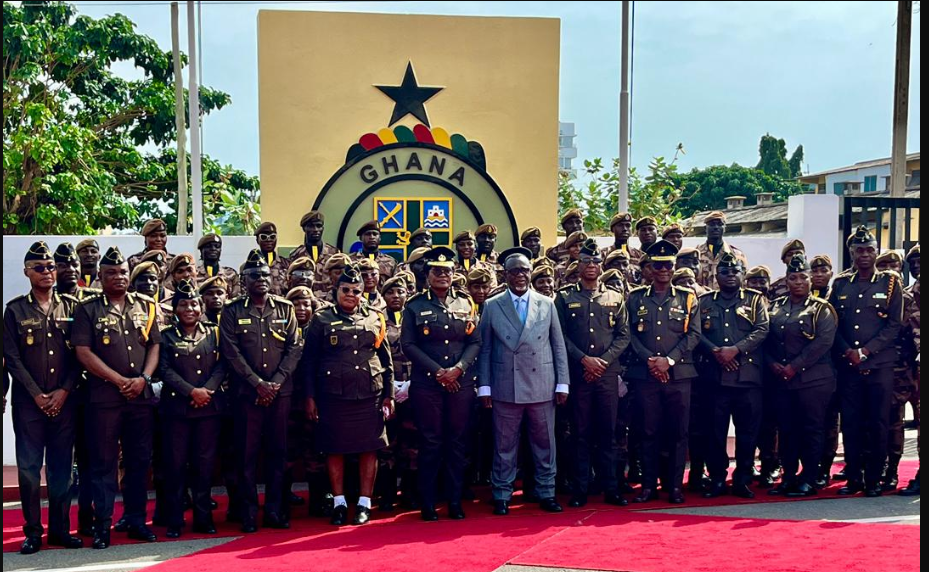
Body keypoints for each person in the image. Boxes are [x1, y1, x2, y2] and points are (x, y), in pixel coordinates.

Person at [72, 246, 161, 549]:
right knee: (103, 465)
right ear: (100, 276)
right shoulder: (88, 308)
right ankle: (102, 526)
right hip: (104, 399)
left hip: (140, 399)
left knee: (139, 462)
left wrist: (144, 379)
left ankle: (136, 521)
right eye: (111, 272)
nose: (119, 277)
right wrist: (119, 380)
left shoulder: (146, 306)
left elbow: (154, 346)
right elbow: (83, 351)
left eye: (123, 272)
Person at [477, 247, 570, 516]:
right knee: (504, 445)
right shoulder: (492, 306)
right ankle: (502, 493)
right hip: (505, 384)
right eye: (514, 270)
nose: (520, 275)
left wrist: (562, 383)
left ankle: (546, 492)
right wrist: (484, 386)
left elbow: (558, 346)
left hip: (541, 383)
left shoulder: (547, 303)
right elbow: (484, 348)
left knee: (544, 444)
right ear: (505, 275)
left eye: (525, 270)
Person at [4, 242, 83, 554]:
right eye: (40, 268)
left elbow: (80, 355)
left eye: (51, 267)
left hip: (65, 402)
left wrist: (63, 392)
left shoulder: (72, 308)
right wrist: (37, 395)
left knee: (62, 468)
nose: (48, 272)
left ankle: (60, 531)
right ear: (27, 272)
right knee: (28, 468)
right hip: (29, 405)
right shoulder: (14, 310)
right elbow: (12, 358)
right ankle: (33, 532)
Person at [305, 264, 394, 526]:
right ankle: (340, 502)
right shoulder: (321, 319)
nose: (351, 295)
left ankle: (365, 503)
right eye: (346, 290)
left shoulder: (375, 318)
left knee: (370, 448)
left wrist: (388, 395)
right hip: (333, 395)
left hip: (369, 394)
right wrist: (310, 397)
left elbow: (385, 360)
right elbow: (309, 362)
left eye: (357, 290)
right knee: (335, 449)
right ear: (336, 291)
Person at [221, 249, 303, 531]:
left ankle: (275, 511)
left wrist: (275, 382)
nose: (261, 279)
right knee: (246, 455)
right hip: (246, 395)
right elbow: (231, 352)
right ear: (244, 279)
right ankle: (247, 513)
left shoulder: (285, 308)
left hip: (280, 394)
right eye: (254, 275)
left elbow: (295, 349)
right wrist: (257, 383)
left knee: (277, 453)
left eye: (265, 275)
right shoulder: (232, 311)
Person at [400, 247, 481, 521]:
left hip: (460, 384)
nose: (442, 275)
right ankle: (428, 502)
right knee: (431, 442)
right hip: (428, 385)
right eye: (437, 270)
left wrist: (458, 369)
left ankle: (455, 501)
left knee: (457, 443)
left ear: (454, 273)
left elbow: (475, 341)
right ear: (428, 273)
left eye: (447, 271)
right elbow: (408, 345)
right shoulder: (414, 305)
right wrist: (439, 372)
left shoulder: (466, 303)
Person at [555, 239, 631, 507]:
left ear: (601, 266)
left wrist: (602, 361)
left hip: (607, 376)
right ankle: (580, 489)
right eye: (586, 261)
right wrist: (584, 360)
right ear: (578, 265)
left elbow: (623, 336)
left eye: (596, 261)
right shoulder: (564, 297)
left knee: (607, 433)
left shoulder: (615, 297)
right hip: (579, 375)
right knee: (580, 433)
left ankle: (611, 488)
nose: (591, 266)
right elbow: (560, 335)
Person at [829, 226, 903, 497]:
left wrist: (867, 351)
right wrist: (849, 351)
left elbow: (894, 325)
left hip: (879, 365)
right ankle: (855, 477)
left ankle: (874, 479)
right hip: (849, 365)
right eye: (859, 250)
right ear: (851, 253)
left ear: (876, 252)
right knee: (851, 421)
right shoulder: (840, 284)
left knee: (878, 422)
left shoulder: (890, 282)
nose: (864, 255)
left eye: (869, 250)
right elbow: (832, 324)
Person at [626, 240, 701, 504]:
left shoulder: (688, 297)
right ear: (649, 268)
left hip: (678, 376)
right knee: (648, 431)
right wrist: (651, 360)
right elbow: (630, 335)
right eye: (657, 266)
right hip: (646, 375)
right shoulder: (635, 299)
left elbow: (694, 335)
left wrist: (668, 361)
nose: (663, 270)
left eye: (668, 265)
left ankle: (674, 486)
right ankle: (648, 486)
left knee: (677, 433)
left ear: (674, 267)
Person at [698, 253, 769, 499]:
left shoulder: (755, 300)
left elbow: (762, 329)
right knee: (714, 432)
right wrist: (716, 352)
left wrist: (736, 350)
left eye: (735, 272)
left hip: (747, 378)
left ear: (742, 274)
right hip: (715, 378)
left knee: (747, 433)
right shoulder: (704, 301)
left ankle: (742, 480)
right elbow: (696, 332)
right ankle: (717, 478)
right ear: (716, 276)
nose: (730, 276)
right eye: (725, 272)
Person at [158, 279, 225, 539]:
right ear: (175, 309)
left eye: (194, 303)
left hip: (208, 409)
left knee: (204, 464)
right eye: (183, 304)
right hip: (177, 409)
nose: (189, 308)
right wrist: (191, 391)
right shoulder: (166, 336)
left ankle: (203, 518)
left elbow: (223, 365)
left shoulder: (214, 332)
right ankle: (175, 519)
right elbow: (163, 369)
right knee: (175, 465)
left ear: (201, 306)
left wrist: (206, 390)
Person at [766, 254, 837, 497]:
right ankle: (788, 476)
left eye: (802, 277)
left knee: (811, 429)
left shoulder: (821, 309)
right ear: (786, 280)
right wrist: (772, 363)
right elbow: (764, 339)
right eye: (792, 277)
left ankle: (808, 478)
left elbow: (823, 342)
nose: (798, 282)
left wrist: (794, 366)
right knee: (786, 429)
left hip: (813, 380)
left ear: (810, 280)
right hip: (782, 380)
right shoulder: (775, 307)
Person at [876, 250, 918, 491]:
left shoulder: (909, 298)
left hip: (910, 370)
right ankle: (884, 468)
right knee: (887, 422)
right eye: (884, 267)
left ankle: (894, 469)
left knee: (901, 423)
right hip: (887, 370)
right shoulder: (876, 299)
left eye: (894, 266)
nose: (889, 270)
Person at [378, 276, 416, 511]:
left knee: (412, 444)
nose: (396, 296)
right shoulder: (378, 320)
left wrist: (412, 383)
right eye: (390, 292)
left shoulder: (415, 317)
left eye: (400, 292)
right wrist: (390, 386)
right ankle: (386, 494)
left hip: (415, 388)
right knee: (387, 444)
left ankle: (411, 492)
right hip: (388, 390)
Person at [287, 210, 341, 293]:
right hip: (306, 302)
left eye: (318, 226)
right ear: (304, 229)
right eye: (311, 226)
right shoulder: (296, 255)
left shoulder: (334, 253)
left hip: (329, 300)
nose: (315, 229)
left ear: (323, 228)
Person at [696, 211, 749, 291]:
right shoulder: (696, 254)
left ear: (724, 228)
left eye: (720, 224)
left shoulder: (736, 254)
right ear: (705, 228)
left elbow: (743, 282)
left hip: (726, 301)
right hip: (702, 300)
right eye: (712, 224)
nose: (716, 227)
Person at [352, 220, 398, 284]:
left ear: (380, 238)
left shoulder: (390, 262)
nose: (372, 237)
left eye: (375, 234)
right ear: (360, 238)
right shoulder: (351, 261)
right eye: (368, 234)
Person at [196, 233, 240, 298]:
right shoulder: (194, 274)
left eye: (217, 246)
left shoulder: (231, 274)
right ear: (201, 250)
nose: (213, 249)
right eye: (208, 246)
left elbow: (236, 297)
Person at [253, 222, 289, 296]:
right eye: (263, 237)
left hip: (281, 306)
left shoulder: (286, 264)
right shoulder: (251, 266)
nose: (268, 240)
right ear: (257, 240)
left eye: (272, 237)